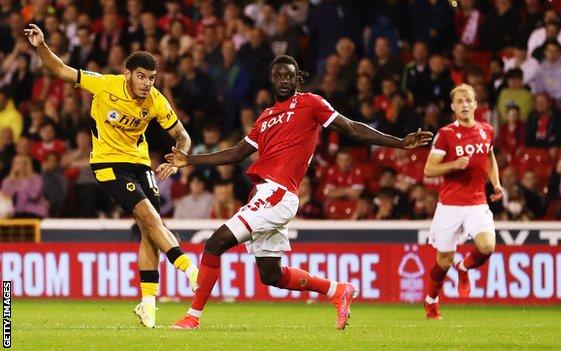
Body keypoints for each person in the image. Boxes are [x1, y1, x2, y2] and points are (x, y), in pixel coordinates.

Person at [166, 55, 433, 330]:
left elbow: (352, 127)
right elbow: (236, 153)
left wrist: (399, 143)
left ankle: (193, 317)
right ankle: (336, 290)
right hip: (264, 195)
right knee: (271, 275)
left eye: (289, 75)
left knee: (215, 243)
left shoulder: (311, 103)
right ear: (271, 80)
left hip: (278, 193)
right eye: (279, 75)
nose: (284, 80)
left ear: (298, 79)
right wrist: (189, 159)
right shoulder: (265, 118)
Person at [24, 24, 199, 328]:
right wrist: (41, 46)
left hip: (140, 163)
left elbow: (182, 134)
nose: (146, 84)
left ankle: (147, 304)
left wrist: (181, 154)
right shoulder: (104, 85)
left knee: (150, 229)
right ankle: (190, 270)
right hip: (107, 163)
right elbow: (61, 70)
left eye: (152, 78)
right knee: (148, 216)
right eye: (141, 76)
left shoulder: (155, 99)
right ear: (127, 73)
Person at [422, 83, 502, 319]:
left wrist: (495, 183)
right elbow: (429, 169)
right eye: (459, 101)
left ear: (476, 104)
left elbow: (490, 158)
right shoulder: (446, 135)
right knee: (444, 260)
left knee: (487, 246)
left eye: (468, 100)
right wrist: (453, 165)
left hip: (477, 202)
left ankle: (464, 267)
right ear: (453, 107)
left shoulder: (486, 130)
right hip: (449, 206)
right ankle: (431, 300)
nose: (465, 104)